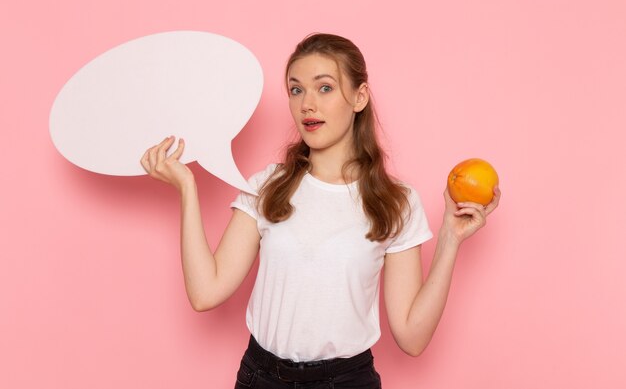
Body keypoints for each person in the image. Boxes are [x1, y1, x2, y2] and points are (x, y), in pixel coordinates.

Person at [140, 33, 500, 389]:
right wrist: (187, 190)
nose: (306, 104)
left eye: (324, 87)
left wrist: (450, 239)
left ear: (359, 97)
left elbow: (411, 338)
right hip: (262, 378)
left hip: (346, 382)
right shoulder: (268, 185)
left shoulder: (396, 201)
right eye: (296, 90)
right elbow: (206, 292)